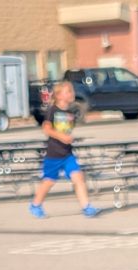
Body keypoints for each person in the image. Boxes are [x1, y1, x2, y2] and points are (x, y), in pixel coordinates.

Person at [29, 80, 99, 219]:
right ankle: (35, 205)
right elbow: (47, 129)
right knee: (48, 181)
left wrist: (69, 138)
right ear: (59, 95)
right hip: (54, 155)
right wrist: (61, 136)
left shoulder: (70, 112)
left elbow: (66, 131)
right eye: (69, 91)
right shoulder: (52, 110)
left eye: (72, 91)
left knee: (78, 177)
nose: (72, 93)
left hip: (67, 154)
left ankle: (86, 207)